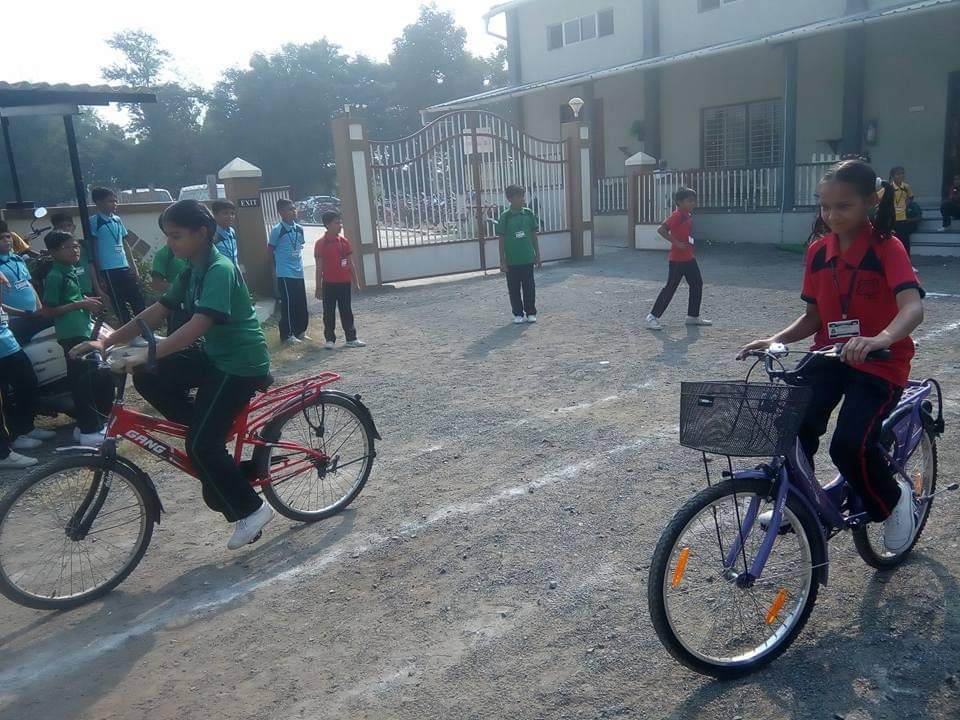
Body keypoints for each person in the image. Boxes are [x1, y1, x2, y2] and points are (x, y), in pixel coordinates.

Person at [737, 159, 924, 554]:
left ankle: (893, 501)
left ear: (871, 201)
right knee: (791, 426)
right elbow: (813, 317)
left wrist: (879, 338)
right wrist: (774, 339)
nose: (832, 215)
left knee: (849, 445)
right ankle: (799, 503)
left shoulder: (887, 247)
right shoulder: (818, 252)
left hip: (880, 361)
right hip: (829, 356)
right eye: (825, 206)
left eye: (844, 206)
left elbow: (912, 307)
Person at [71, 200, 274, 550]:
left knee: (201, 446)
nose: (169, 243)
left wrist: (148, 351)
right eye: (168, 235)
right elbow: (158, 310)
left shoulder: (219, 269)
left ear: (202, 233)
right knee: (147, 375)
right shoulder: (191, 270)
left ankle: (252, 510)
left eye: (176, 235)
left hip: (240, 364)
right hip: (216, 355)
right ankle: (207, 430)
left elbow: (197, 325)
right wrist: (106, 341)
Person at [40, 231, 114, 445]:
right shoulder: (55, 276)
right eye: (68, 247)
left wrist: (86, 301)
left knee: (94, 380)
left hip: (84, 331)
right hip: (72, 335)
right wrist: (80, 304)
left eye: (76, 246)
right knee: (84, 384)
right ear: (54, 252)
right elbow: (49, 310)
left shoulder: (70, 270)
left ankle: (85, 426)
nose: (74, 251)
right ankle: (90, 430)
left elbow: (72, 299)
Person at [0, 284, 53, 465]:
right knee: (4, 400)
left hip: (9, 344)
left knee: (28, 384)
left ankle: (25, 428)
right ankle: (5, 452)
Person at [646, 188, 712, 331]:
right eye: (689, 201)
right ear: (679, 202)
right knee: (671, 287)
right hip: (677, 259)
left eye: (694, 200)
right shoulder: (677, 215)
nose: (693, 203)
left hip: (689, 257)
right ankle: (652, 317)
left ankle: (692, 316)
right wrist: (676, 243)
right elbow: (661, 230)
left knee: (697, 284)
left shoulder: (687, 215)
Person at [89, 187, 146, 327]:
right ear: (99, 203)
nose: (115, 204)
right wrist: (99, 272)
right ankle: (129, 332)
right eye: (110, 201)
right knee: (119, 304)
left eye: (115, 201)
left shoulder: (117, 220)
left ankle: (145, 330)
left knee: (137, 299)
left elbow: (125, 244)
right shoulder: (94, 221)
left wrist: (134, 267)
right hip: (108, 269)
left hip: (124, 266)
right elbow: (94, 248)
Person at [314, 211, 365, 350]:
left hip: (344, 282)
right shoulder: (320, 244)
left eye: (340, 222)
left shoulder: (344, 241)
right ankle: (330, 339)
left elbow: (350, 263)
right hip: (329, 283)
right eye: (336, 223)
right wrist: (318, 287)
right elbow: (319, 267)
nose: (340, 225)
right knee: (328, 312)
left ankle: (351, 338)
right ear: (327, 225)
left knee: (346, 310)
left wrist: (356, 282)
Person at [495, 185, 541, 324]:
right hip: (512, 261)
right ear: (510, 199)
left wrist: (537, 255)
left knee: (529, 288)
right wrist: (502, 260)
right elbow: (501, 240)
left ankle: (531, 312)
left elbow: (534, 235)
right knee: (514, 289)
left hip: (527, 258)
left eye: (523, 196)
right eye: (519, 197)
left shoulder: (528, 214)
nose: (522, 199)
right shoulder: (505, 216)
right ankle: (518, 313)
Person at [0, 223, 51, 344]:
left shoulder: (18, 259)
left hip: (33, 315)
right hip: (13, 320)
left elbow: (29, 285)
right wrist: (25, 314)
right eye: (1, 238)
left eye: (8, 236)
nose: (7, 240)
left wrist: (39, 309)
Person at [268, 199, 309, 343]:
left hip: (298, 271)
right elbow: (270, 250)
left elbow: (299, 245)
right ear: (281, 212)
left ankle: (300, 331)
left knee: (301, 302)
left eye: (294, 208)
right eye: (289, 209)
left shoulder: (299, 229)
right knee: (288, 303)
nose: (293, 211)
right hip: (285, 272)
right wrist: (274, 269)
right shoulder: (277, 230)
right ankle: (287, 334)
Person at [50, 211, 104, 301]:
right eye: (61, 227)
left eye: (69, 225)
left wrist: (98, 289)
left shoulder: (84, 244)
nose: (66, 229)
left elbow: (90, 266)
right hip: (71, 292)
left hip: (87, 288)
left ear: (74, 227)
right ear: (55, 230)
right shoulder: (57, 250)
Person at [150, 242, 190, 335]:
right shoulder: (164, 254)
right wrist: (181, 289)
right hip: (178, 305)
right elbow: (157, 284)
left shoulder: (193, 253)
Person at [883, 167, 917, 254]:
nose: (900, 176)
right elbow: (878, 198)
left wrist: (906, 205)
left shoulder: (906, 186)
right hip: (892, 220)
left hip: (903, 220)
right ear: (892, 176)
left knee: (905, 243)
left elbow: (911, 197)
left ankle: (906, 260)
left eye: (902, 173)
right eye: (898, 174)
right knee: (893, 243)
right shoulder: (888, 187)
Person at [212, 200, 241, 270]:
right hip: (219, 271)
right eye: (225, 213)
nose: (230, 216)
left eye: (232, 213)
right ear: (215, 215)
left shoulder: (232, 231)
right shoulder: (211, 233)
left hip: (233, 270)